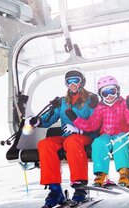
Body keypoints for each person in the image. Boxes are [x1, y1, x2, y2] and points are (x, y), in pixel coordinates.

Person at [25, 68, 99, 207]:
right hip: (67, 136)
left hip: (85, 136)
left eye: (75, 81)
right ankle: (55, 189)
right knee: (45, 144)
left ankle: (80, 188)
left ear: (81, 82)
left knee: (72, 141)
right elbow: (50, 118)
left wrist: (78, 129)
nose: (72, 84)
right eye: (69, 82)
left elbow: (96, 121)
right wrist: (38, 121)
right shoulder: (63, 101)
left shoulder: (91, 99)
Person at [65, 75, 129, 189]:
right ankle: (101, 173)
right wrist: (75, 119)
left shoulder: (123, 104)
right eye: (105, 93)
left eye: (112, 92)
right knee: (98, 143)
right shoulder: (100, 107)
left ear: (117, 91)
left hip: (122, 133)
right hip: (106, 135)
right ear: (101, 94)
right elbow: (91, 125)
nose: (109, 96)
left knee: (119, 142)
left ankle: (124, 173)